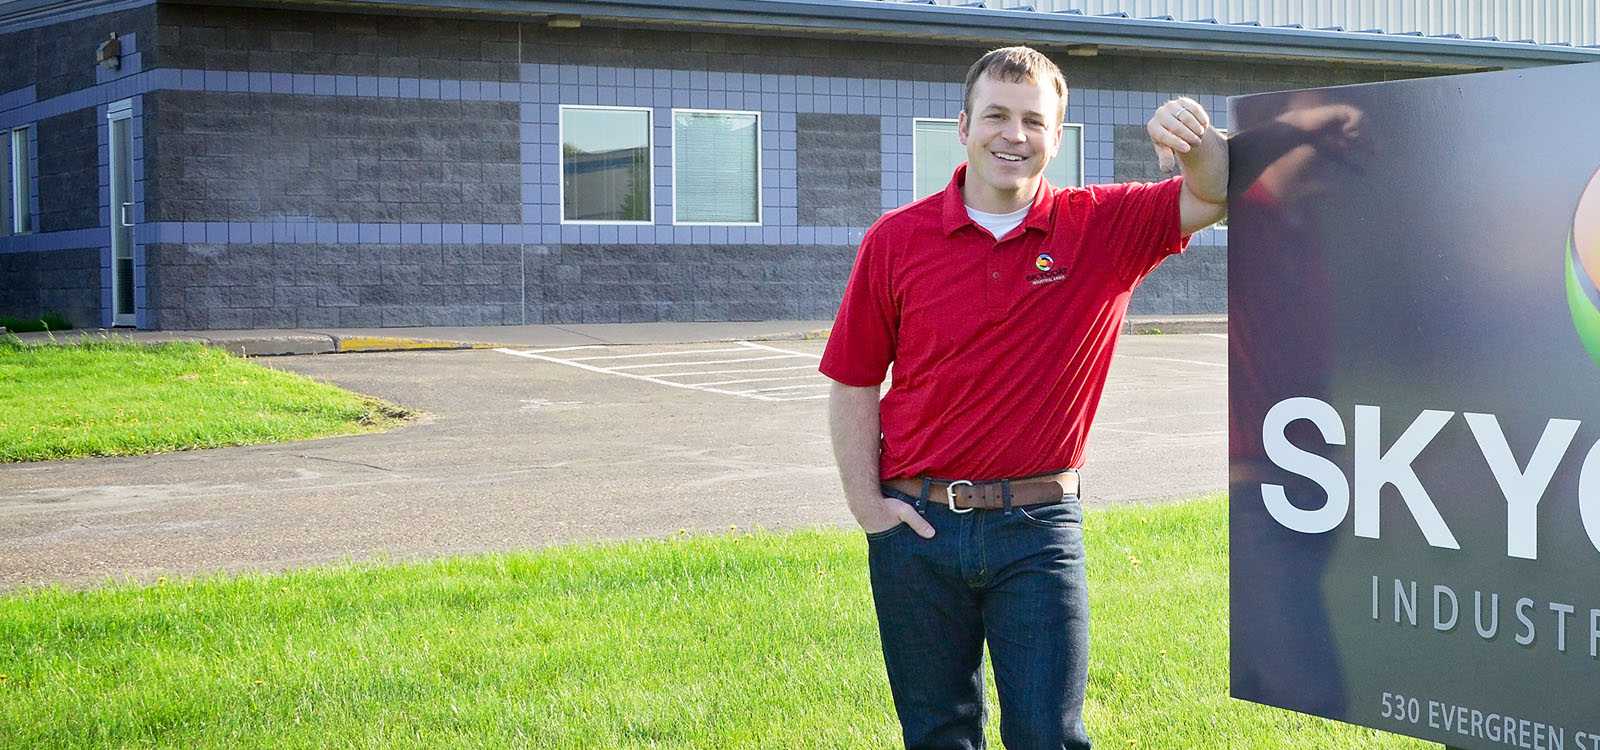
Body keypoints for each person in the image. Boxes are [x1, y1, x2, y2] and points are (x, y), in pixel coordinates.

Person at [820, 46, 1228, 749]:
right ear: (963, 126)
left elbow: (1217, 191)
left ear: (1058, 137)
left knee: (1048, 735)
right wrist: (869, 508)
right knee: (938, 734)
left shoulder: (1104, 227)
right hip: (917, 528)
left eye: (1034, 121)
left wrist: (1192, 137)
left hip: (1038, 532)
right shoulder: (895, 240)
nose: (1014, 135)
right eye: (997, 116)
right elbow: (854, 377)